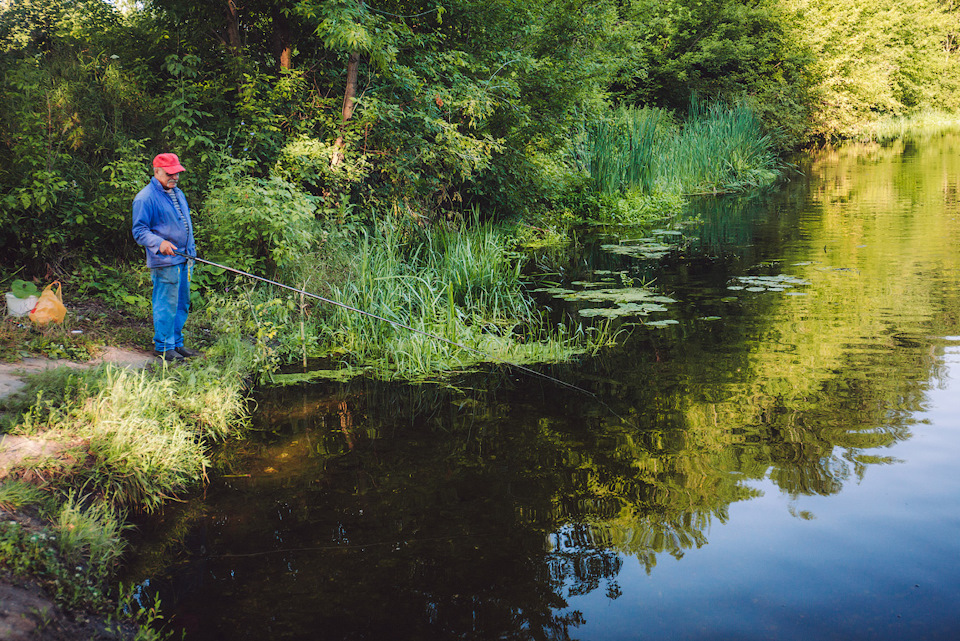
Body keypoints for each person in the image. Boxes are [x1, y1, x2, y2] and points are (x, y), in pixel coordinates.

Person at [132, 153, 198, 361]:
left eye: (177, 172)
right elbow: (139, 231)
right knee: (166, 303)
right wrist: (159, 243)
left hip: (185, 258)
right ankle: (163, 346)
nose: (175, 177)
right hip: (165, 261)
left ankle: (176, 343)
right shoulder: (145, 198)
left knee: (182, 303)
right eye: (170, 173)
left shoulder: (177, 192)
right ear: (157, 171)